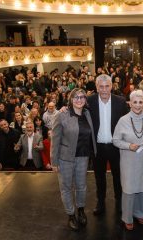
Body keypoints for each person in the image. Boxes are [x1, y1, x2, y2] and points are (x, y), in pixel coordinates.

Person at [51, 88, 97, 231]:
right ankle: (71, 215)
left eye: (82, 97)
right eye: (75, 97)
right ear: (70, 99)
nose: (79, 99)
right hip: (65, 158)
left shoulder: (87, 113)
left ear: (85, 99)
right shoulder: (61, 115)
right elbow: (55, 139)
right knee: (66, 188)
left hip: (83, 156)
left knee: (81, 186)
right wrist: (54, 161)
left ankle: (81, 210)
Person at [113, 90, 143, 231]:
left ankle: (140, 214)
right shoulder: (123, 120)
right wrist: (128, 146)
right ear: (129, 103)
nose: (137, 105)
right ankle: (127, 217)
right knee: (129, 190)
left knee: (142, 189)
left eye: (140, 102)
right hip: (128, 162)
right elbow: (115, 140)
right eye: (134, 102)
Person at [87, 74, 128, 215]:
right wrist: (64, 110)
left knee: (118, 176)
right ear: (97, 87)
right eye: (101, 86)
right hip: (97, 147)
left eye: (107, 86)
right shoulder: (89, 101)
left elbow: (129, 120)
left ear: (112, 86)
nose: (104, 90)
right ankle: (100, 201)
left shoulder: (120, 102)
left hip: (115, 146)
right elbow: (76, 109)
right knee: (99, 177)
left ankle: (119, 201)